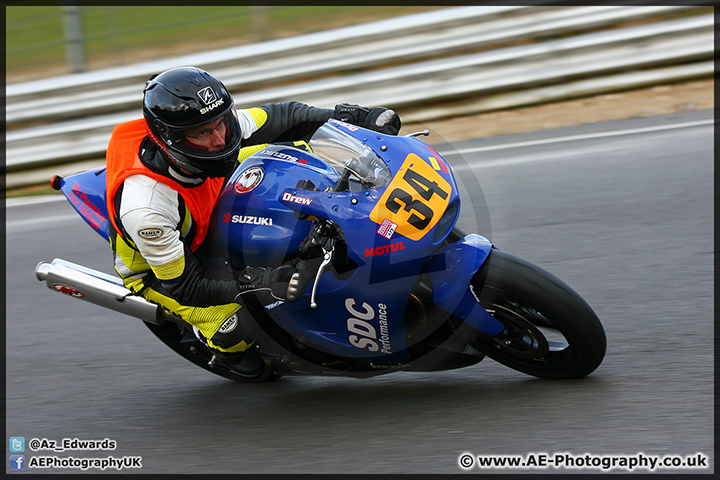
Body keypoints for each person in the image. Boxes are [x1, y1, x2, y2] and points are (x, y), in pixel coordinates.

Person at [105, 66, 401, 363]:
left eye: (220, 124)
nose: (219, 139)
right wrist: (262, 281)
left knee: (297, 151)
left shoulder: (213, 126)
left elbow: (284, 117)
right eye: (203, 134)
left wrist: (354, 117)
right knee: (236, 328)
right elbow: (186, 286)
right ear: (172, 140)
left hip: (209, 190)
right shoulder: (147, 209)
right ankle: (212, 343)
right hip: (167, 268)